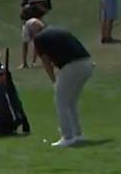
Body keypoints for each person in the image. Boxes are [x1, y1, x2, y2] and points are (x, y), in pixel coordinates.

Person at [26, 18, 94, 147]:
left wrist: (54, 80)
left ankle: (67, 136)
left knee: (61, 100)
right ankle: (78, 134)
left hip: (71, 66)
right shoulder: (58, 29)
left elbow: (46, 62)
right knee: (71, 101)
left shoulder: (39, 39)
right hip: (86, 64)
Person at [20, 0, 52, 67]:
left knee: (37, 41)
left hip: (39, 20)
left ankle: (33, 61)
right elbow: (23, 8)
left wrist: (38, 6)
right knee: (25, 41)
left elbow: (47, 10)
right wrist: (29, 5)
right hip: (26, 20)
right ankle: (24, 62)